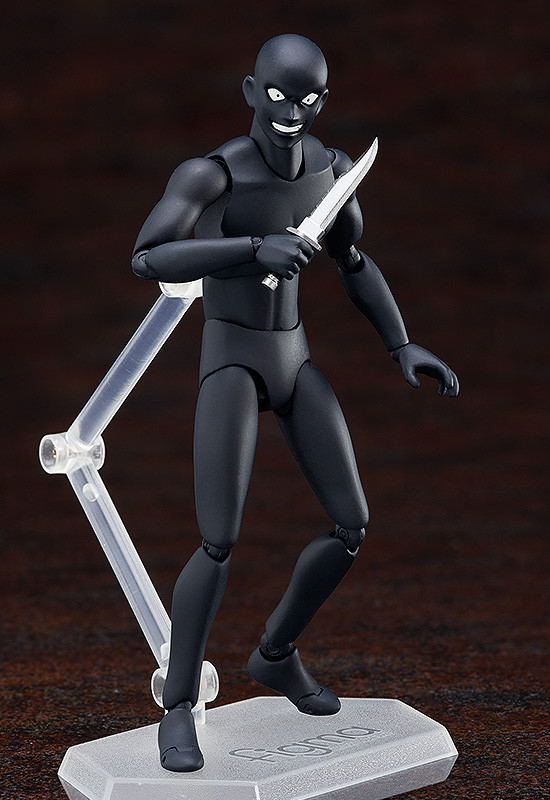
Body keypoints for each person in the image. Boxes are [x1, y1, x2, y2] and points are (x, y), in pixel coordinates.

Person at [132, 33, 459, 772]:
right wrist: (253, 249)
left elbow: (353, 259)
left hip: (294, 358)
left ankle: (275, 653)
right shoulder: (214, 173)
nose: (291, 112)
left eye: (307, 99)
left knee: (351, 524)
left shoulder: (333, 170)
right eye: (278, 96)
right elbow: (148, 255)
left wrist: (401, 344)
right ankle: (177, 706)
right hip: (232, 361)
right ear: (252, 92)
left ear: (323, 101)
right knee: (218, 541)